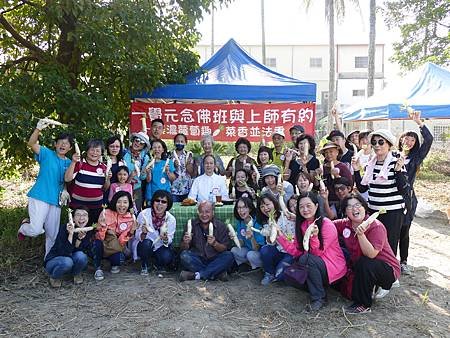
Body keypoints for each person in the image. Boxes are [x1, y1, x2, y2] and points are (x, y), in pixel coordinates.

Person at [276, 192, 347, 311]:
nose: (305, 209)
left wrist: (314, 237)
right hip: (317, 265)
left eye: (308, 206)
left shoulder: (326, 224)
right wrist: (280, 237)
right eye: (301, 207)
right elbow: (297, 251)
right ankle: (319, 287)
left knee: (306, 259)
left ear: (316, 206)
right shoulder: (303, 225)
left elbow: (317, 253)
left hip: (333, 267)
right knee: (289, 276)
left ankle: (319, 298)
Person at [334, 194, 400, 314]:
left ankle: (364, 304)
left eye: (357, 205)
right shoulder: (346, 223)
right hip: (363, 268)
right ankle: (371, 287)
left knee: (365, 262)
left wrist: (361, 234)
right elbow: (327, 225)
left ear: (364, 207)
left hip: (386, 270)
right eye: (349, 207)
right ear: (345, 212)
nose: (354, 209)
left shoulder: (376, 226)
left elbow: (371, 254)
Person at [18, 121, 73, 257]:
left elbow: (66, 180)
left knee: (52, 235)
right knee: (36, 230)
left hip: (56, 201)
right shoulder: (47, 154)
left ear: (70, 148)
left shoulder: (69, 162)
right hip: (40, 196)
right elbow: (31, 144)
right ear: (55, 144)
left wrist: (65, 190)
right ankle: (24, 227)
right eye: (60, 142)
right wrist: (38, 128)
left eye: (66, 143)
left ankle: (48, 261)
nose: (62, 145)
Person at [352, 129, 408, 259]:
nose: (377, 145)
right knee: (375, 242)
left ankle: (392, 274)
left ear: (389, 144)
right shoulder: (370, 165)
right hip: (374, 210)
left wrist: (398, 171)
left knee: (390, 243)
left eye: (381, 142)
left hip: (392, 212)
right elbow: (362, 188)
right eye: (374, 142)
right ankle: (378, 271)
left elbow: (403, 190)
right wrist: (356, 170)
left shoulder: (396, 162)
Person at [397, 111, 433, 275]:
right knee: (391, 231)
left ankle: (403, 262)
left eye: (412, 140)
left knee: (404, 231)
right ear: (401, 140)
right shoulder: (393, 155)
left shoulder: (416, 157)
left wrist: (419, 122)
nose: (409, 142)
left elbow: (429, 140)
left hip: (407, 199)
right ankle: (390, 261)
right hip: (390, 197)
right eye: (406, 139)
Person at [178, 201, 235, 281]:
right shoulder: (192, 224)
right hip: (198, 259)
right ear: (198, 212)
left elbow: (224, 248)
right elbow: (183, 248)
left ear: (213, 212)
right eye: (201, 212)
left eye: (207, 212)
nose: (204, 215)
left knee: (229, 256)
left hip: (215, 259)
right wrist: (186, 242)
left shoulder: (220, 226)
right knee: (184, 255)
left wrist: (215, 243)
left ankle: (197, 275)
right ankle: (216, 274)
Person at [44, 206, 93, 287]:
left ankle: (75, 274)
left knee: (81, 256)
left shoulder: (86, 231)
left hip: (69, 260)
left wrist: (79, 239)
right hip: (55, 262)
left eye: (84, 215)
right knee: (67, 261)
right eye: (78, 215)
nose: (81, 218)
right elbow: (64, 253)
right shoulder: (64, 229)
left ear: (88, 218)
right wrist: (70, 234)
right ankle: (54, 277)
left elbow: (81, 251)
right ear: (73, 218)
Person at [65, 139, 110, 225]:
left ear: (101, 153)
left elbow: (105, 188)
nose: (94, 153)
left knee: (92, 232)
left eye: (98, 151)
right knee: (75, 232)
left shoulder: (104, 167)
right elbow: (67, 179)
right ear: (87, 150)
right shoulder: (80, 164)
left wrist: (108, 178)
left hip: (96, 208)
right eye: (92, 150)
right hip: (78, 208)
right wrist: (73, 162)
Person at [93, 191, 136, 281]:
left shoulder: (130, 218)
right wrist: (104, 227)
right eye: (119, 202)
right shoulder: (106, 213)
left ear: (129, 204)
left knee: (118, 260)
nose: (122, 205)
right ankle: (98, 268)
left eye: (125, 202)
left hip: (116, 246)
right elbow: (99, 236)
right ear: (114, 202)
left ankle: (111, 262)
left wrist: (131, 231)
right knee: (97, 243)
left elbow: (122, 241)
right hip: (103, 242)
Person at [133, 190, 176, 275]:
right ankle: (145, 264)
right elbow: (137, 235)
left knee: (166, 257)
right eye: (157, 201)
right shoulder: (144, 214)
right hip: (144, 244)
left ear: (168, 205)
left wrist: (166, 238)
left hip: (159, 245)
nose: (160, 204)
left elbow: (170, 238)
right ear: (153, 202)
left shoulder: (171, 219)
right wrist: (143, 233)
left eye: (163, 202)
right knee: (147, 243)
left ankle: (156, 263)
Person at [258, 194, 295, 285]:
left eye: (267, 204)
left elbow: (292, 238)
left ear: (274, 203)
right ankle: (269, 273)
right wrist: (269, 235)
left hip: (290, 252)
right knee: (265, 250)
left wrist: (280, 234)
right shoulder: (267, 222)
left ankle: (281, 269)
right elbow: (271, 243)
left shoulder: (286, 216)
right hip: (278, 250)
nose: (265, 208)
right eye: (262, 206)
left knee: (279, 276)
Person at [231, 197, 265, 271]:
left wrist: (252, 238)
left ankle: (259, 268)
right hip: (248, 249)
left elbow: (257, 248)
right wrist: (234, 238)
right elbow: (241, 243)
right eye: (239, 208)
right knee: (234, 250)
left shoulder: (257, 222)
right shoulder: (240, 222)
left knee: (251, 255)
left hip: (258, 252)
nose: (241, 210)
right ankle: (248, 265)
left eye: (244, 207)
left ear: (250, 209)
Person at [123, 131, 151, 212]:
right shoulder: (124, 153)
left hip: (136, 188)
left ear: (144, 146)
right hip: (123, 186)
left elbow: (143, 177)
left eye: (141, 143)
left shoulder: (145, 158)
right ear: (133, 140)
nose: (138, 143)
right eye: (137, 140)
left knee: (135, 211)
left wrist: (143, 171)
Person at [319, 142, 353, 207]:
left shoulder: (342, 167)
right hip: (326, 201)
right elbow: (317, 186)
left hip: (341, 201)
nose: (328, 155)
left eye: (331, 152)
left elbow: (350, 185)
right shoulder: (322, 168)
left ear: (337, 152)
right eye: (326, 152)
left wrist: (337, 176)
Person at [144, 139, 176, 204]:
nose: (156, 149)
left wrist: (168, 172)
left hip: (165, 194)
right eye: (154, 147)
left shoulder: (168, 162)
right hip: (152, 194)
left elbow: (173, 179)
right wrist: (148, 172)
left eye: (159, 147)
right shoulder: (149, 162)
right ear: (151, 150)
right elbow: (148, 180)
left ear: (163, 150)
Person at [170, 133, 195, 202]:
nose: (180, 143)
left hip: (187, 189)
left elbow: (191, 172)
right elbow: (167, 172)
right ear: (174, 142)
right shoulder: (170, 155)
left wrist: (189, 165)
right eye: (177, 141)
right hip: (173, 190)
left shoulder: (189, 155)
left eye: (182, 141)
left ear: (185, 143)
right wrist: (173, 166)